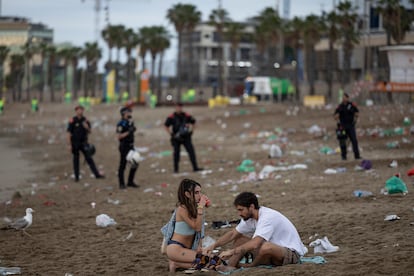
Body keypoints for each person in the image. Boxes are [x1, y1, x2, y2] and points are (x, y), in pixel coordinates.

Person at [204, 192, 307, 272]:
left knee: (265, 246)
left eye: (241, 210)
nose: (239, 213)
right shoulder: (250, 217)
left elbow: (255, 243)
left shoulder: (267, 217)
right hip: (272, 250)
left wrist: (231, 251)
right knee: (239, 239)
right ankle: (230, 266)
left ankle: (250, 266)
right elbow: (232, 234)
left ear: (252, 207)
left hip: (290, 254)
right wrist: (212, 246)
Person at [161, 178, 222, 272]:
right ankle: (175, 263)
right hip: (176, 248)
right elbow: (197, 227)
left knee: (215, 262)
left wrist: (199, 246)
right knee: (211, 263)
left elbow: (200, 230)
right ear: (187, 194)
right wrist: (201, 207)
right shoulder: (182, 208)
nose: (200, 195)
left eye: (200, 192)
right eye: (196, 192)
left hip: (187, 250)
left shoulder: (194, 208)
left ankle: (178, 264)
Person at [67, 105, 104, 182]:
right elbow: (69, 133)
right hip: (75, 143)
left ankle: (97, 174)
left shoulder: (85, 120)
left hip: (84, 143)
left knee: (89, 159)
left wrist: (87, 127)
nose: (80, 111)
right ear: (76, 111)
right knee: (76, 160)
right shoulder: (72, 120)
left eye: (81, 110)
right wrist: (69, 144)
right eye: (78, 110)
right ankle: (76, 177)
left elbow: (90, 131)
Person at [164, 103, 203, 173]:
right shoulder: (171, 116)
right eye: (178, 107)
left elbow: (194, 122)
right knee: (176, 153)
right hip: (176, 138)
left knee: (191, 152)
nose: (179, 109)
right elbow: (166, 126)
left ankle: (195, 167)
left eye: (180, 107)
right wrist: (171, 134)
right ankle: (176, 169)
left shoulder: (186, 115)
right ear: (175, 108)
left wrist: (191, 131)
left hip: (186, 137)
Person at [116, 106, 139, 189]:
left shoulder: (130, 122)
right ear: (123, 114)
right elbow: (119, 136)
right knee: (123, 165)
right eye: (128, 112)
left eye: (130, 112)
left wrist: (133, 129)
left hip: (131, 146)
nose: (129, 114)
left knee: (135, 163)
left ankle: (130, 181)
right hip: (124, 147)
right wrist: (129, 132)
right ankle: (121, 183)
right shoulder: (121, 124)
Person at [334, 93, 361, 160]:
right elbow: (335, 115)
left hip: (351, 126)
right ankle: (344, 156)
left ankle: (357, 155)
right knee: (343, 141)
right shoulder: (340, 106)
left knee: (354, 141)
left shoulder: (351, 105)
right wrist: (337, 120)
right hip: (342, 127)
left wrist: (355, 119)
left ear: (347, 98)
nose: (343, 99)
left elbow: (357, 112)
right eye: (342, 98)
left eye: (345, 97)